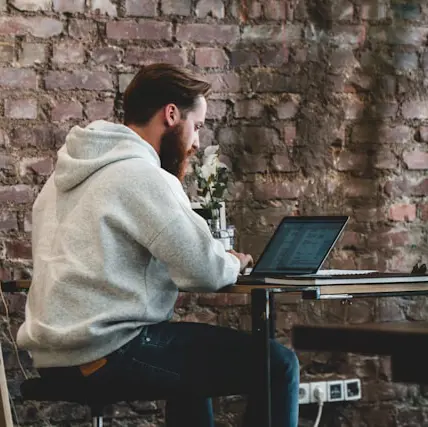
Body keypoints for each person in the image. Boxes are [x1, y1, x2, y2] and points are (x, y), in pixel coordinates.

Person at [17, 63, 299, 427]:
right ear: (171, 115)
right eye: (196, 126)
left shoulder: (60, 180)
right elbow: (204, 270)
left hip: (52, 357)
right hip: (107, 350)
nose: (197, 142)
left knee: (190, 375)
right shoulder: (142, 175)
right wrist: (232, 261)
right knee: (278, 365)